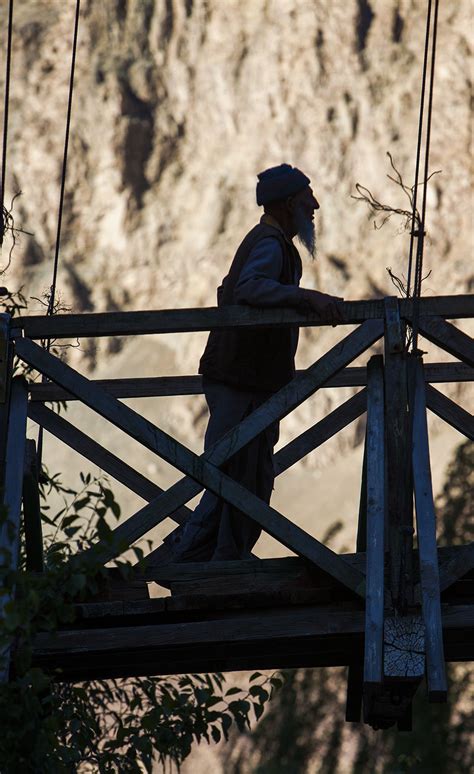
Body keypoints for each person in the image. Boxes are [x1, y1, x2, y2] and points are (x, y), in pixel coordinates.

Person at [165, 164, 343, 562]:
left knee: (251, 474)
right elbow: (249, 287)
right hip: (238, 380)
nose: (313, 207)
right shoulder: (269, 242)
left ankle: (225, 556)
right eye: (305, 200)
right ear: (286, 204)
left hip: (251, 381)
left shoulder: (277, 242)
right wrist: (306, 297)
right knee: (226, 473)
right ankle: (182, 557)